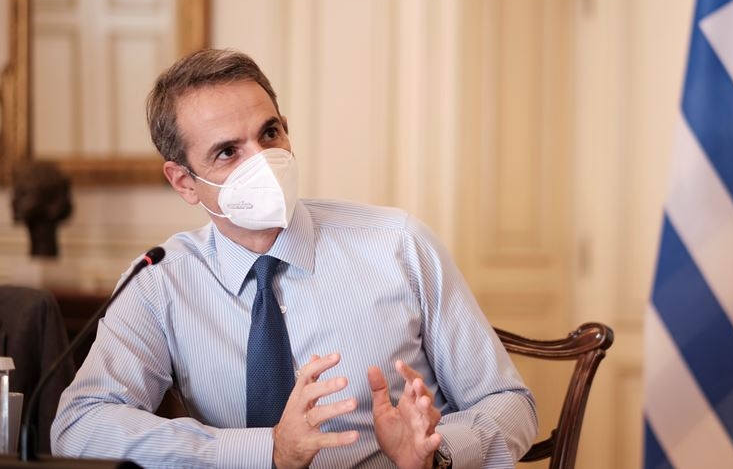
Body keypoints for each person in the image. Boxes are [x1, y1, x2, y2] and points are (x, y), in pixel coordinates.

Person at [51, 49, 537, 468]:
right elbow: (79, 426)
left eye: (269, 134)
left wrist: (438, 454)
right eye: (228, 152)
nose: (262, 162)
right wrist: (267, 452)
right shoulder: (160, 281)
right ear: (184, 182)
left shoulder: (399, 245)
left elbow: (509, 403)